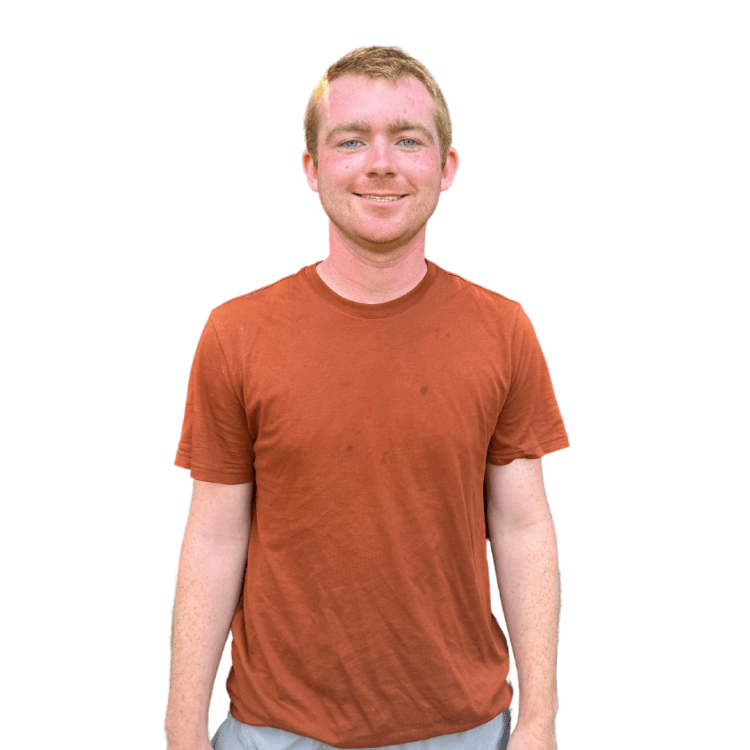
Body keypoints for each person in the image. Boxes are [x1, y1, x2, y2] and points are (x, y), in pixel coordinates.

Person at [165, 46, 569, 750]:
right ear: (312, 168)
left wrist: (540, 718)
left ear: (445, 168)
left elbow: (522, 525)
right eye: (351, 141)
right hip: (274, 731)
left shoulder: (502, 331)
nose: (380, 163)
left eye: (407, 140)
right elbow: (214, 536)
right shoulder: (237, 334)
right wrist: (181, 727)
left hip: (464, 730)